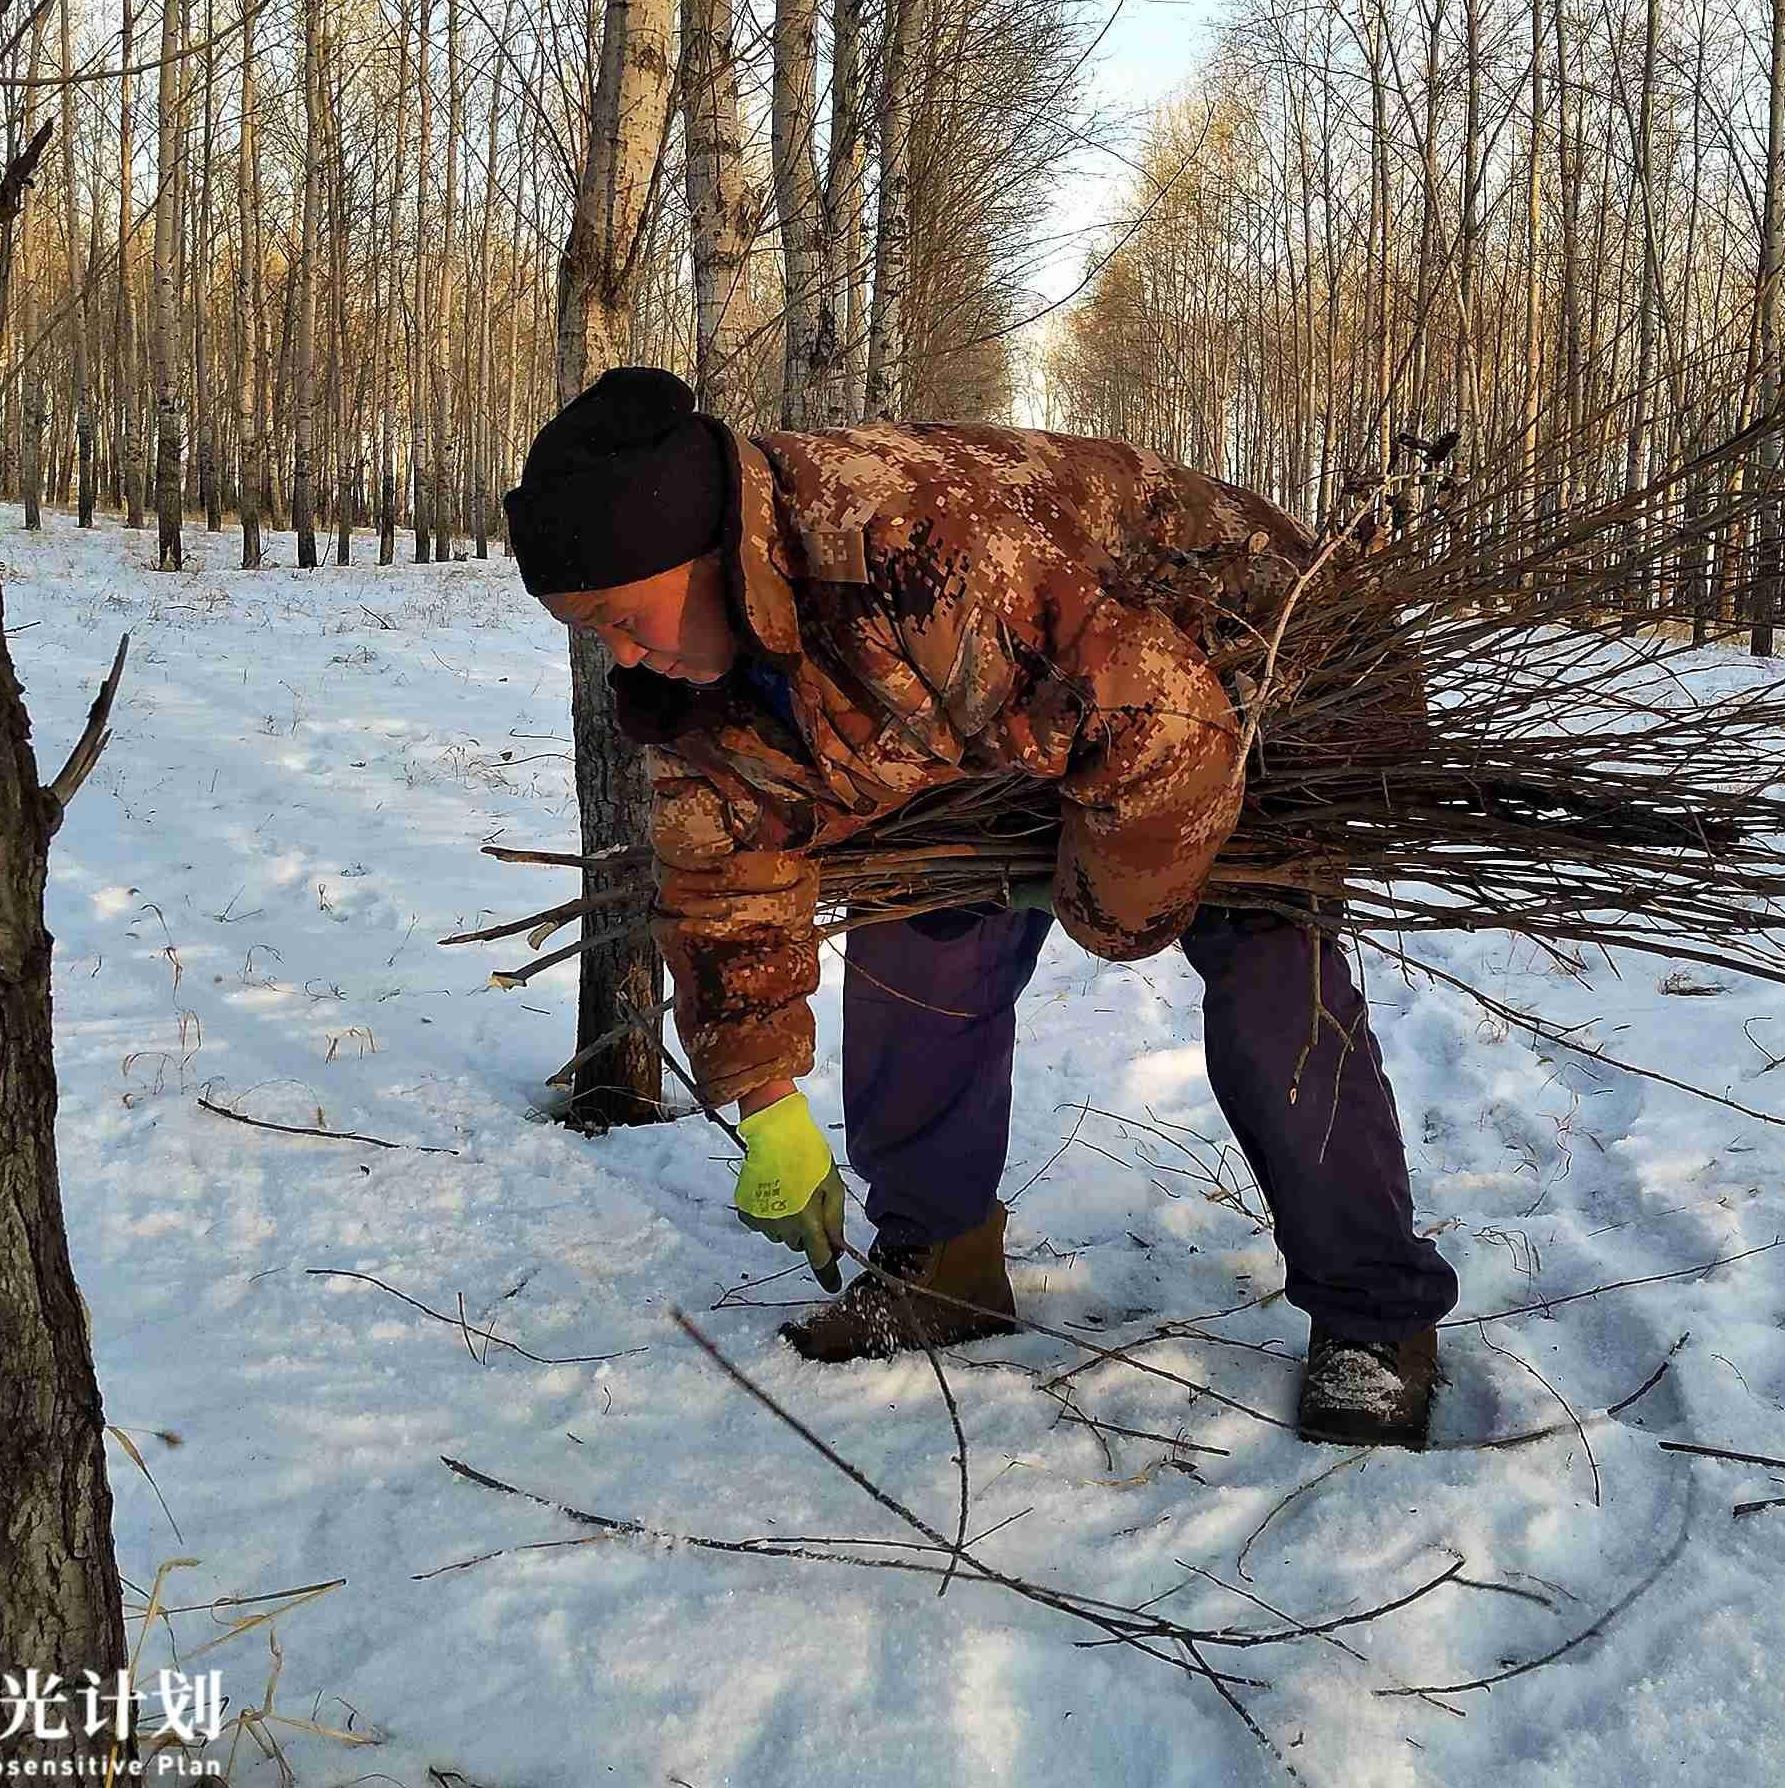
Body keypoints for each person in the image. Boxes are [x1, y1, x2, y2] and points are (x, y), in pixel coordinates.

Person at [504, 367, 1457, 1447]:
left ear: (701, 549)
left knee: (1269, 978)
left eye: (623, 617)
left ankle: (1373, 1315)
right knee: (918, 919)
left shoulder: (912, 545)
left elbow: (1164, 726)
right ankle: (943, 1258)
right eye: (592, 633)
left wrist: (1098, 906)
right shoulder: (702, 678)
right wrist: (764, 1097)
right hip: (1021, 723)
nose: (624, 653)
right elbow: (722, 875)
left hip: (1264, 676)